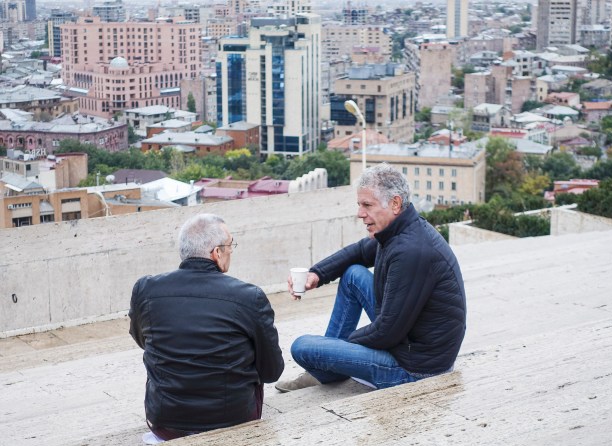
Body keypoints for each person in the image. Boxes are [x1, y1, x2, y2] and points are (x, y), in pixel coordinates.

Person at [275, 163, 466, 392]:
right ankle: (328, 370)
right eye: (359, 205)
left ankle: (329, 368)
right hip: (407, 336)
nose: (360, 214)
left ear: (395, 204)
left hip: (415, 369)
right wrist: (317, 273)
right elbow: (359, 252)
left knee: (303, 346)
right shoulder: (399, 230)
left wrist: (337, 350)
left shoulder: (411, 251)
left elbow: (386, 332)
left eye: (367, 205)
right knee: (353, 274)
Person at [129, 213, 284, 442]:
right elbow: (272, 371)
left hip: (166, 424)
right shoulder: (250, 297)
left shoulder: (145, 289)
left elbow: (142, 340)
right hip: (235, 420)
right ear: (217, 252)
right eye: (231, 245)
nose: (232, 250)